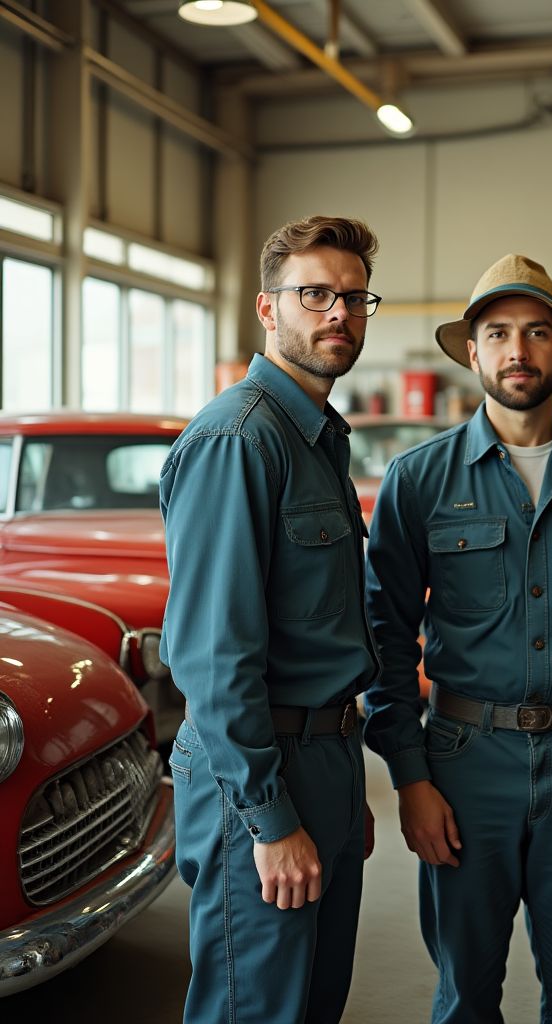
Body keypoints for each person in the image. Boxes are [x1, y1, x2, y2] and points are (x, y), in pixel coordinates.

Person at [363, 254, 552, 1024]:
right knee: (465, 995)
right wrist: (410, 779)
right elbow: (384, 636)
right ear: (473, 353)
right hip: (462, 764)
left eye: (537, 332)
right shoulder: (419, 479)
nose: (518, 350)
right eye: (498, 334)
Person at [160, 215, 383, 1023]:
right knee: (254, 1007)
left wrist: (342, 785)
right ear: (267, 307)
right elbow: (214, 657)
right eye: (314, 294)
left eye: (354, 298)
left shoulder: (316, 437)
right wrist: (268, 815)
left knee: (312, 1002)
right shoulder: (240, 438)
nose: (338, 313)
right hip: (258, 769)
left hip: (321, 756)